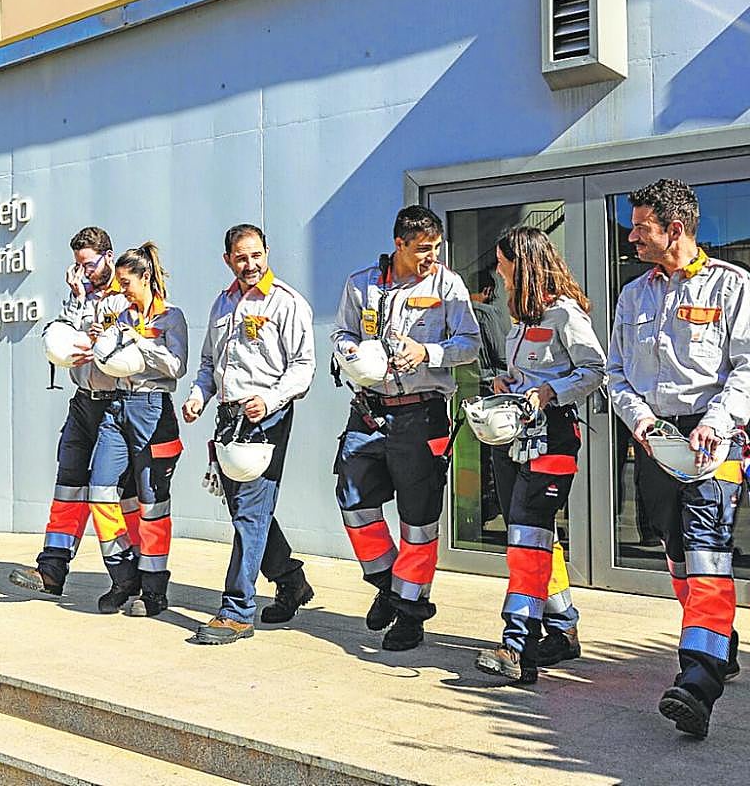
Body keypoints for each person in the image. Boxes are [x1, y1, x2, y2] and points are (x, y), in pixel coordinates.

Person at [608, 178, 747, 739]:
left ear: (677, 229)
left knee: (708, 553)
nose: (633, 237)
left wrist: (718, 422)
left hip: (716, 439)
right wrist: (639, 419)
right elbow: (616, 372)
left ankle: (698, 680)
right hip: (654, 437)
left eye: (643, 228)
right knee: (677, 554)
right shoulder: (633, 295)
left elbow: (745, 366)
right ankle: (719, 640)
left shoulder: (731, 288)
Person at [331, 205, 481, 650]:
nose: (430, 257)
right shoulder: (361, 284)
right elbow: (340, 334)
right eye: (422, 250)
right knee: (353, 501)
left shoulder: (446, 284)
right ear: (399, 244)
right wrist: (355, 355)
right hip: (368, 411)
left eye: (435, 248)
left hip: (422, 414)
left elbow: (469, 344)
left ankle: (412, 613)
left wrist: (428, 353)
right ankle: (389, 585)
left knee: (418, 520)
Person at [473, 227, 605, 684]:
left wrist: (550, 391)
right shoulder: (523, 317)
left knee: (527, 536)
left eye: (502, 262)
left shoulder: (565, 313)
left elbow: (595, 370)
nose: (498, 271)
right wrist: (507, 384)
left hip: (553, 439)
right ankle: (563, 629)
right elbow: (527, 373)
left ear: (522, 263)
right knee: (531, 533)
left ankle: (516, 644)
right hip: (515, 439)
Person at [182, 224, 317, 645]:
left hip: (267, 419)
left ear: (266, 252)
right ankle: (290, 579)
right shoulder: (222, 304)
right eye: (241, 257)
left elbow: (303, 366)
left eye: (257, 255)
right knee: (244, 510)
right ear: (228, 260)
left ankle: (237, 610)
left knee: (251, 513)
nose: (251, 264)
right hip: (227, 419)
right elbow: (209, 363)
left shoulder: (287, 303)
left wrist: (271, 400)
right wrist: (197, 397)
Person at [9, 227, 139, 596]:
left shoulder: (126, 291)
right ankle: (51, 569)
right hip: (83, 400)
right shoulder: (80, 293)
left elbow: (119, 339)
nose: (84, 271)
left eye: (90, 264)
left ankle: (130, 574)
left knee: (113, 493)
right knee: (68, 484)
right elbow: (66, 333)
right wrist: (78, 297)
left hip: (117, 405)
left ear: (108, 257)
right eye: (78, 265)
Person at [88, 243, 188, 616]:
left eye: (126, 282)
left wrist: (140, 344)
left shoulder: (171, 317)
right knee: (100, 490)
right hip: (117, 406)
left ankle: (153, 588)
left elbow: (176, 366)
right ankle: (122, 575)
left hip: (153, 409)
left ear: (145, 277)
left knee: (152, 504)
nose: (122, 289)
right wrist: (103, 340)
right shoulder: (120, 315)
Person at [468, 268, 512, 526]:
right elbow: (504, 356)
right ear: (488, 291)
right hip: (493, 393)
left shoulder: (457, 315)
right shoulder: (487, 314)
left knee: (479, 460)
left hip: (469, 392)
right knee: (497, 457)